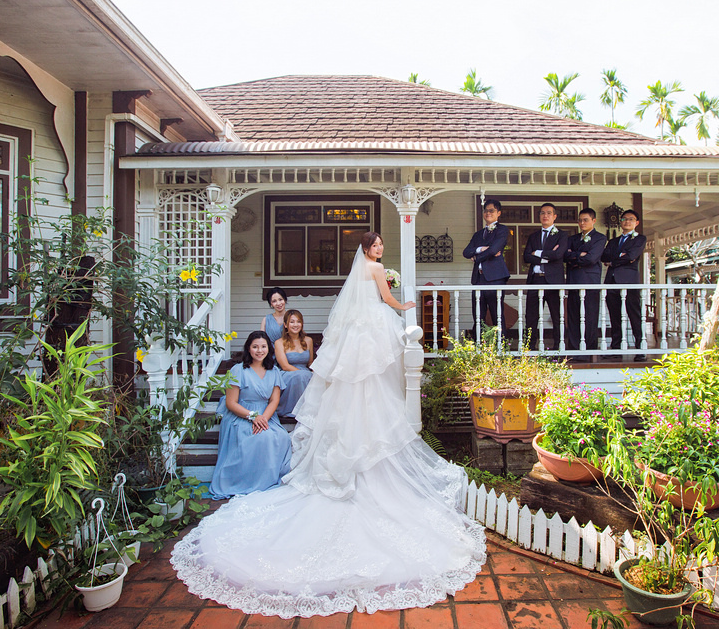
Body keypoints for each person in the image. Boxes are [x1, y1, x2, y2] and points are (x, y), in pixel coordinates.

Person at [172, 232, 486, 618]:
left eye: (381, 246)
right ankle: (366, 454)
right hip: (376, 326)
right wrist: (403, 303)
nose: (379, 251)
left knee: (357, 382)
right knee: (373, 380)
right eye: (376, 246)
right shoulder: (375, 271)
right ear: (368, 251)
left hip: (360, 331)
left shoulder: (361, 277)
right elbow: (386, 299)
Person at [208, 331, 291, 500]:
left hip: (265, 415)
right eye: (255, 347)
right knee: (260, 437)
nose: (259, 350)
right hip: (242, 414)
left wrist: (263, 418)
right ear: (248, 348)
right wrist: (253, 417)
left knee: (281, 437)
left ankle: (269, 479)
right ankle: (247, 481)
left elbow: (274, 401)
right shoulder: (238, 370)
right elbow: (231, 403)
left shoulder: (273, 371)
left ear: (269, 348)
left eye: (263, 346)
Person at [601, 209, 647, 362]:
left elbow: (632, 256)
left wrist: (615, 260)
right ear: (620, 222)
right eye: (624, 219)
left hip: (629, 282)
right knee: (615, 317)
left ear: (636, 223)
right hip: (612, 281)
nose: (627, 222)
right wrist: (622, 257)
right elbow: (604, 256)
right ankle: (616, 349)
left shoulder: (639, 239)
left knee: (634, 315)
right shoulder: (614, 241)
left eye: (631, 219)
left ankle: (640, 349)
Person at [523, 203, 568, 351]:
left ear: (554, 216)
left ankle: (558, 345)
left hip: (553, 281)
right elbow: (526, 257)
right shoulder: (534, 236)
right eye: (542, 213)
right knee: (531, 316)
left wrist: (538, 253)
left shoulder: (561, 235)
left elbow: (558, 255)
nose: (545, 215)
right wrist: (547, 255)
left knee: (557, 316)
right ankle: (529, 346)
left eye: (549, 213)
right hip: (535, 279)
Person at [462, 199, 510, 332]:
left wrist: (476, 257)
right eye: (486, 210)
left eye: (492, 210)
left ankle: (502, 346)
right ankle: (478, 346)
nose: (488, 213)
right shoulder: (478, 234)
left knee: (497, 315)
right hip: (478, 279)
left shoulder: (502, 230)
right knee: (478, 316)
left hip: (495, 278)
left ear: (498, 213)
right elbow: (466, 252)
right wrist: (481, 249)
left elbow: (494, 249)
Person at [564, 208, 607, 359]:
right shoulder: (572, 239)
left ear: (593, 221)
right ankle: (575, 350)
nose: (582, 223)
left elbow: (592, 259)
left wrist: (575, 258)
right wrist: (579, 255)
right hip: (573, 281)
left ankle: (589, 351)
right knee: (574, 317)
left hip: (590, 283)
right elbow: (565, 256)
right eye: (580, 220)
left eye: (586, 220)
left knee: (589, 316)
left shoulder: (600, 238)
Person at [274, 309, 314, 418]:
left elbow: (310, 362)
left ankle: (311, 412)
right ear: (286, 325)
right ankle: (297, 412)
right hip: (288, 373)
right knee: (301, 376)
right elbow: (284, 365)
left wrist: (317, 372)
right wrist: (304, 374)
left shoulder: (308, 340)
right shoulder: (279, 342)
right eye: (292, 322)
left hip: (305, 373)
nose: (295, 325)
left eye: (298, 321)